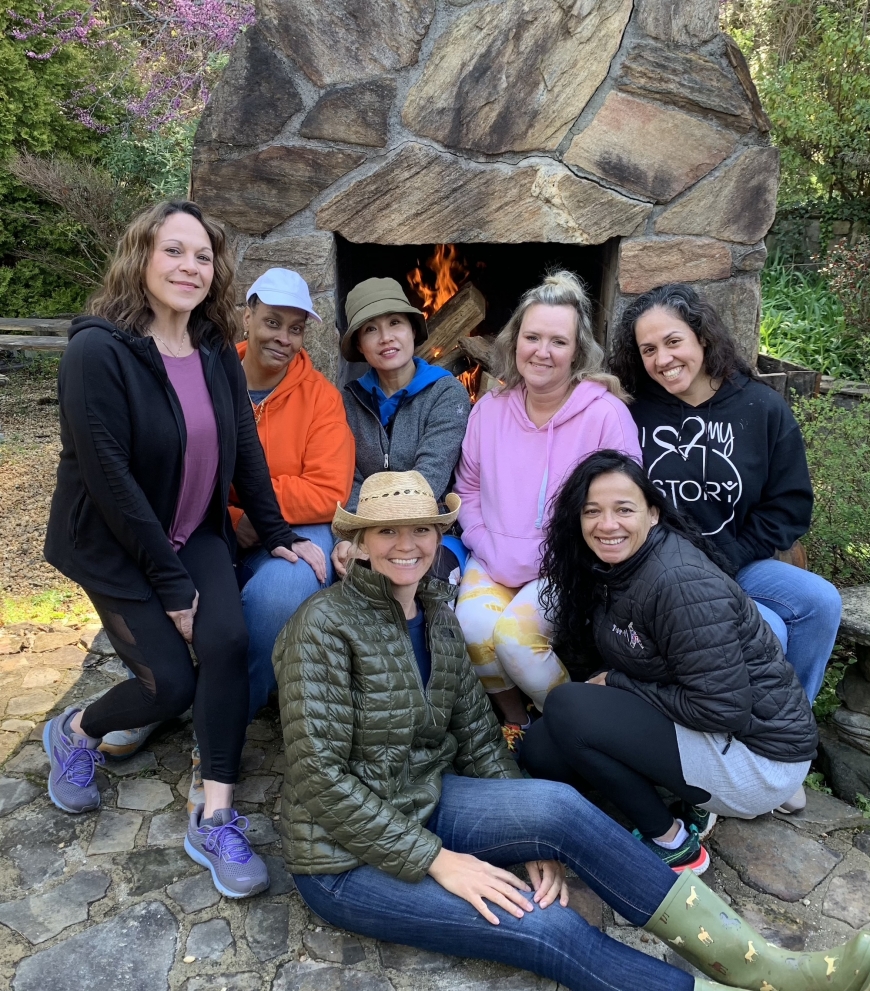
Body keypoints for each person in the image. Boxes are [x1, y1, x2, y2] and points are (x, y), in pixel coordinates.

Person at [271, 469, 869, 991]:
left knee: (556, 806)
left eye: (421, 529)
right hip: (342, 860)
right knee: (542, 923)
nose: (408, 544)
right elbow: (318, 778)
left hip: (426, 797)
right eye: (388, 532)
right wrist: (435, 860)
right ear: (359, 542)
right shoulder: (322, 627)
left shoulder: (437, 617)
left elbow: (480, 738)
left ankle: (761, 966)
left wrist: (528, 832)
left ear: (438, 536)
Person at [42, 200, 324, 898]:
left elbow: (245, 449)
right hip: (113, 541)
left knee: (226, 642)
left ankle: (215, 813)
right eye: (174, 251)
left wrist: (279, 532)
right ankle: (77, 729)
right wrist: (172, 589)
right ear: (141, 256)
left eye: (202, 256)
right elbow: (110, 481)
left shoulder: (210, 348)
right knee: (169, 683)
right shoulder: (96, 351)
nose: (189, 267)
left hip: (193, 529)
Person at [522, 451, 818, 872]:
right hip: (715, 729)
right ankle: (694, 799)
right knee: (543, 749)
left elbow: (723, 707)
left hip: (760, 758)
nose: (607, 524)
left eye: (624, 509)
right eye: (593, 512)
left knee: (568, 705)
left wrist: (619, 683)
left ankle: (675, 844)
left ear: (654, 514)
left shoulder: (678, 582)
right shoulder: (614, 569)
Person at [609, 283, 841, 713]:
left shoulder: (762, 408)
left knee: (821, 602)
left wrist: (729, 557)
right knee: (768, 627)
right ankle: (752, 738)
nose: (663, 359)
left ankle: (793, 723)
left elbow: (789, 505)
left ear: (703, 337)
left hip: (735, 560)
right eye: (648, 349)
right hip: (656, 568)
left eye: (673, 341)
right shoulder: (630, 411)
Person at [452, 270, 641, 736]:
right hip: (495, 556)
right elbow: (469, 489)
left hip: (569, 564)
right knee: (472, 629)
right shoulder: (489, 410)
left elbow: (624, 503)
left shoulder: (604, 415)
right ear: (514, 342)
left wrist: (563, 555)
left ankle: (576, 728)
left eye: (557, 341)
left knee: (516, 641)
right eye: (532, 337)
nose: (542, 351)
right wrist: (483, 542)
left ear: (577, 351)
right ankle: (518, 725)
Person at [234, 268, 354, 723]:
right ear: (247, 316)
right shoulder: (211, 381)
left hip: (300, 526)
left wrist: (258, 514)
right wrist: (234, 518)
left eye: (297, 328)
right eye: (272, 322)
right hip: (217, 524)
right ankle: (157, 693)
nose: (284, 337)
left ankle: (228, 721)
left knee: (280, 593)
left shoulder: (320, 397)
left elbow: (328, 489)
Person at [332, 277, 470, 578]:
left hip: (434, 530)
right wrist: (354, 539)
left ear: (411, 330)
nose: (386, 337)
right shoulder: (347, 401)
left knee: (425, 580)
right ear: (359, 345)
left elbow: (429, 478)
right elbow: (348, 479)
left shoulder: (446, 393)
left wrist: (385, 543)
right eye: (371, 329)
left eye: (395, 323)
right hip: (367, 531)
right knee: (347, 579)